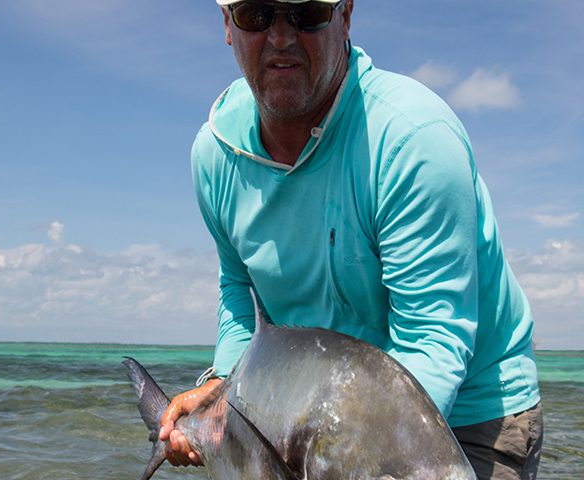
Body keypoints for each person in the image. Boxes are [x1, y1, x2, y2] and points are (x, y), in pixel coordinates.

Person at [159, 1, 544, 479]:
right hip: (316, 417)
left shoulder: (414, 139)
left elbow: (434, 339)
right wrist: (221, 390)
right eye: (257, 14)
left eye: (307, 13)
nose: (281, 37)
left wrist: (338, 452)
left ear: (345, 16)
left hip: (467, 412)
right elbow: (243, 295)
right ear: (227, 25)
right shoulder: (214, 157)